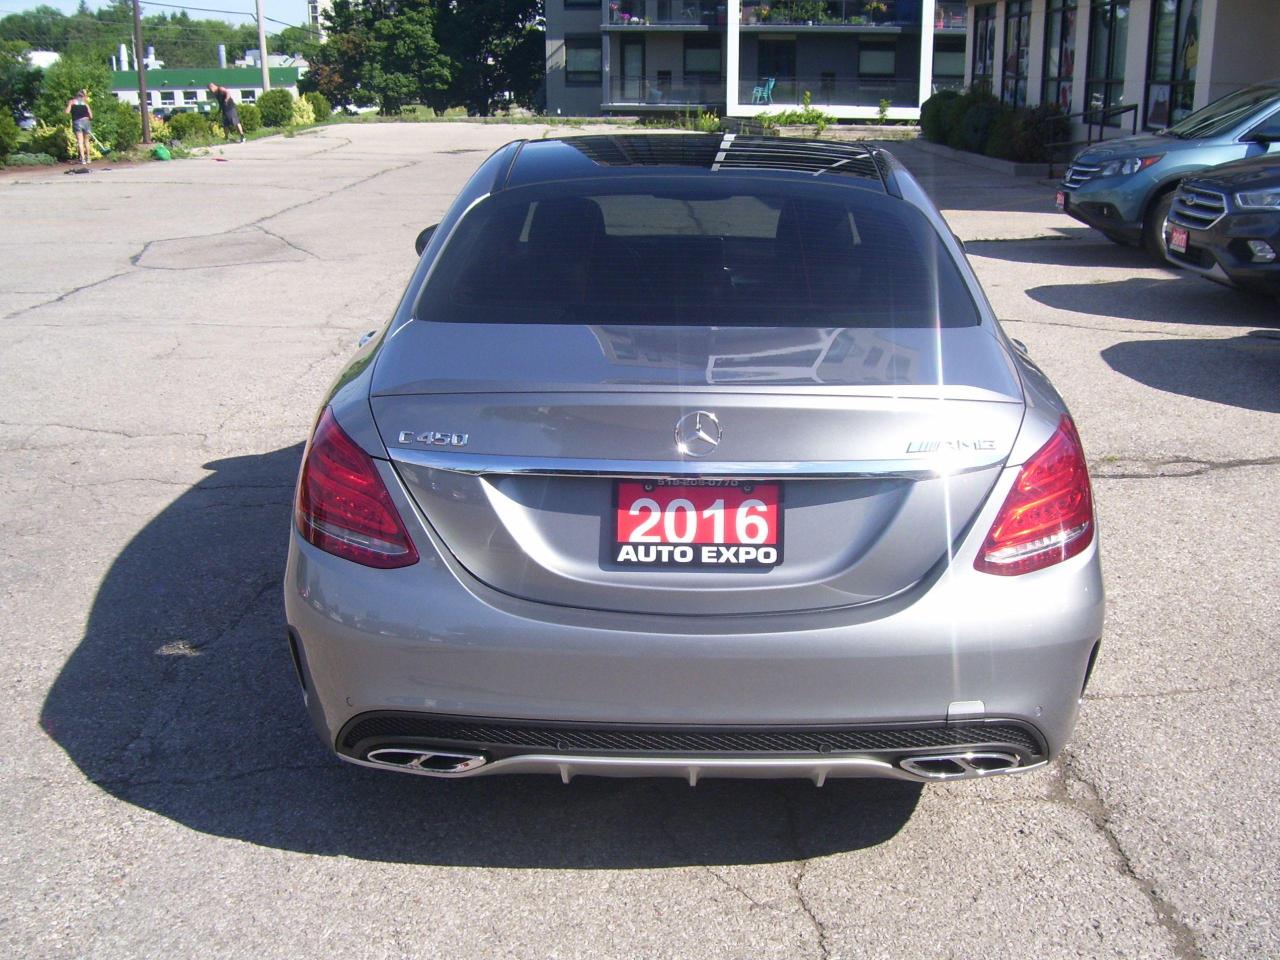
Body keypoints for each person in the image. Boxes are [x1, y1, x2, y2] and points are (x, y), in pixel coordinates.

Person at [64, 89, 93, 165]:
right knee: (87, 141)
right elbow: (91, 116)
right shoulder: (85, 104)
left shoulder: (72, 102)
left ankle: (83, 159)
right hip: (86, 122)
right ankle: (88, 158)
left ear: (76, 96)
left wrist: (69, 105)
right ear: (83, 96)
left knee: (80, 141)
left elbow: (66, 112)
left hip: (77, 122)